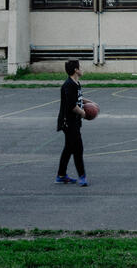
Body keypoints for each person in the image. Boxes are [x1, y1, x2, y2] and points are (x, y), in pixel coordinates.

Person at [56, 58, 91, 186]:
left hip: (74, 122)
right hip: (68, 122)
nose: (82, 69)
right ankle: (82, 177)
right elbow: (72, 106)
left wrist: (90, 103)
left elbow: (79, 98)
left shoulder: (76, 83)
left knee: (69, 149)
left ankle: (61, 175)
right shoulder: (68, 85)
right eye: (80, 67)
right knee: (78, 149)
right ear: (76, 70)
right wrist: (85, 114)